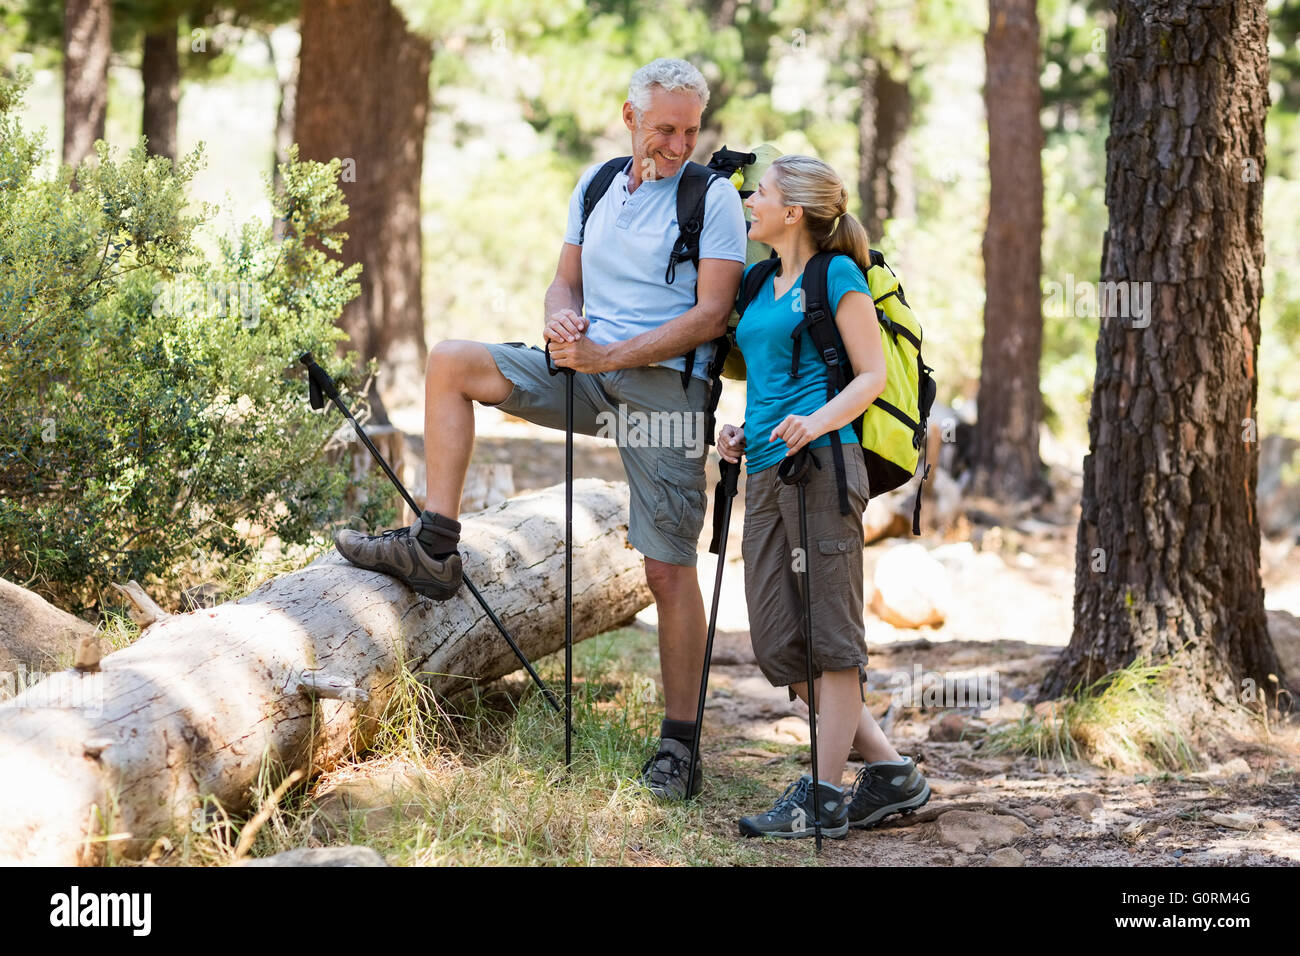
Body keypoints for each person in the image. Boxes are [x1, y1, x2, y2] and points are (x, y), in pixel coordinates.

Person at [334, 58, 748, 800]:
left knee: (666, 567)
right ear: (630, 118)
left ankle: (679, 746)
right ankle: (434, 544)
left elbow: (711, 316)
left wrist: (609, 352)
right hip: (584, 370)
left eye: (690, 129)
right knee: (453, 363)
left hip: (666, 394)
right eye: (664, 129)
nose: (679, 143)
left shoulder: (712, 198)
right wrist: (560, 317)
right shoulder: (594, 186)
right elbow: (567, 279)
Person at [716, 155, 930, 838]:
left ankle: (824, 797)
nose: (752, 200)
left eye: (764, 193)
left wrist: (817, 421)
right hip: (767, 471)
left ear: (795, 211)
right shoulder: (757, 283)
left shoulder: (836, 274)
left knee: (832, 642)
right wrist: (741, 429)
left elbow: (868, 375)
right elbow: (767, 375)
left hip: (824, 468)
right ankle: (892, 774)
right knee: (781, 643)